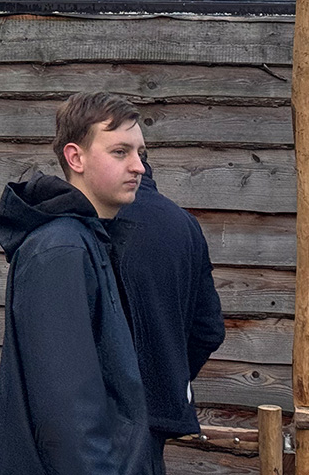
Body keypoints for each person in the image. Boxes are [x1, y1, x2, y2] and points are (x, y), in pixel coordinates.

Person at [0, 92, 155, 475]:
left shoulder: (85, 239)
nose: (139, 166)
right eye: (120, 152)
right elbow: (67, 408)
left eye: (140, 153)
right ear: (75, 157)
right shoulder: (61, 250)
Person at [111, 156, 225, 471]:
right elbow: (209, 330)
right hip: (152, 415)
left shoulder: (97, 218)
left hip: (96, 413)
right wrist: (168, 373)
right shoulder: (185, 225)